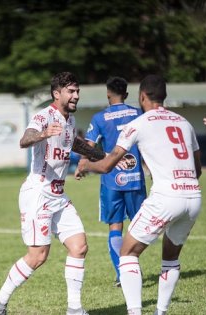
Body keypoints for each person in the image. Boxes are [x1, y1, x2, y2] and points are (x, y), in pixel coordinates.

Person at [75, 74, 202, 315]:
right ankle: (160, 312)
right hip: (193, 197)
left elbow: (106, 165)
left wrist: (85, 166)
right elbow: (198, 169)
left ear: (142, 96)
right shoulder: (184, 123)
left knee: (127, 252)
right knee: (170, 259)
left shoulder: (140, 123)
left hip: (164, 197)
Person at [0, 72, 105, 315]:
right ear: (57, 93)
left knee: (79, 246)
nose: (76, 95)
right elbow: (25, 139)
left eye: (77, 91)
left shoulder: (70, 120)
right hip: (38, 194)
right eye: (71, 91)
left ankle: (74, 309)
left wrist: (110, 157)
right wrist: (43, 134)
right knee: (38, 256)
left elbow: (77, 144)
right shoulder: (44, 116)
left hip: (58, 196)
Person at [82, 76, 146, 287]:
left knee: (115, 227)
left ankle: (122, 273)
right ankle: (133, 268)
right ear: (126, 95)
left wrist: (84, 163)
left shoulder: (100, 118)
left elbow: (89, 147)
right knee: (138, 228)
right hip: (136, 178)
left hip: (111, 180)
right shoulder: (138, 113)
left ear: (108, 94)